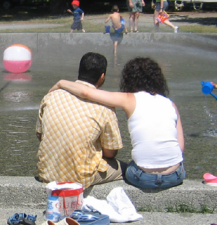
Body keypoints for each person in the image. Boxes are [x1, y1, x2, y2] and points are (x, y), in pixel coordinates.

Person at [50, 57, 185, 189]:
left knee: (127, 166)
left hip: (143, 177)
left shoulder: (129, 99)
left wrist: (61, 83)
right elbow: (180, 149)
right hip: (174, 176)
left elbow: (86, 92)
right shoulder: (171, 104)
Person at [36, 52, 124, 193]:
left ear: (79, 71)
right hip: (79, 179)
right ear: (102, 76)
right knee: (124, 168)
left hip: (47, 173)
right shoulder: (105, 107)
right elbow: (110, 153)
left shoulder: (51, 96)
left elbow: (40, 135)